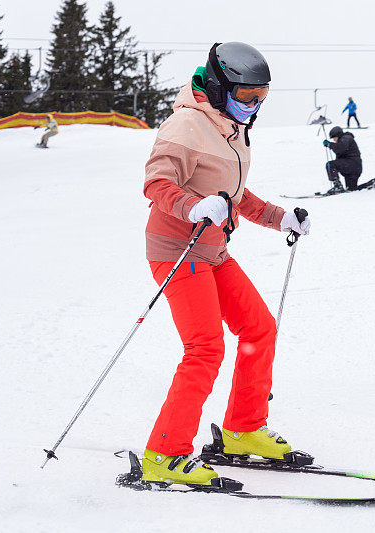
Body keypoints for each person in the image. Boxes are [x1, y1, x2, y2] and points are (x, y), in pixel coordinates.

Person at [140, 42, 312, 487]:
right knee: (205, 348)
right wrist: (192, 207)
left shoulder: (231, 128)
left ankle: (243, 430)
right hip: (177, 250)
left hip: (214, 250)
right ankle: (165, 453)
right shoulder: (185, 124)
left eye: (262, 97)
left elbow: (232, 195)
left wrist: (280, 217)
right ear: (219, 88)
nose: (254, 106)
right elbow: (157, 183)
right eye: (247, 96)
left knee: (259, 327)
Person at [322, 126, 375, 194]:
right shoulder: (345, 139)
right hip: (355, 168)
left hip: (351, 164)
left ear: (338, 135)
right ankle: (372, 183)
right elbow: (340, 152)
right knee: (351, 190)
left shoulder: (346, 138)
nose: (334, 140)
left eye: (334, 138)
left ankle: (337, 186)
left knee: (330, 164)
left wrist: (329, 144)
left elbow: (340, 148)